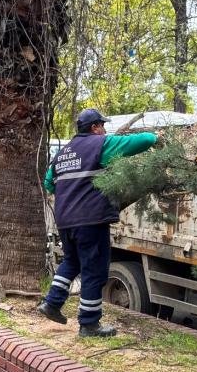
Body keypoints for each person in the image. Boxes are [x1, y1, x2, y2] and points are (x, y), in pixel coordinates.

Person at [38, 109, 158, 337]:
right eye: (102, 125)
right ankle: (89, 324)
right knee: (94, 270)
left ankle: (52, 303)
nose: (104, 129)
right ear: (95, 127)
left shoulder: (63, 153)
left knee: (71, 262)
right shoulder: (99, 144)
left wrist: (74, 190)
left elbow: (49, 183)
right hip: (90, 219)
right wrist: (158, 138)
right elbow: (144, 140)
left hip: (65, 220)